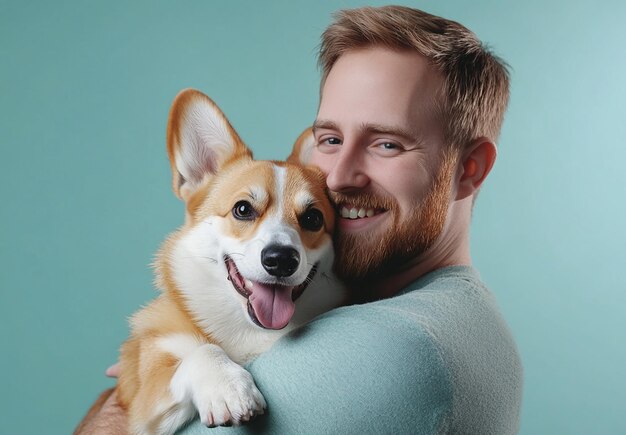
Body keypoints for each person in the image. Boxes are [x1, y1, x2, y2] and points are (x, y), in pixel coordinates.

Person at [76, 5, 522, 434]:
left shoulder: (397, 351)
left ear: (469, 168)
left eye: (388, 144)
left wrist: (128, 398)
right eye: (330, 138)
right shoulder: (462, 317)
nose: (339, 177)